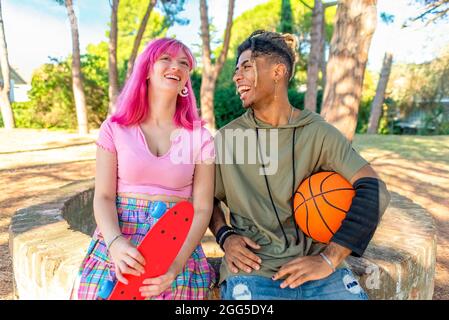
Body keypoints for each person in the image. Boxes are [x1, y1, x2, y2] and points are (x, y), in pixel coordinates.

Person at [210, 30, 391, 300]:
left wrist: (330, 258)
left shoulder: (318, 132)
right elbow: (205, 199)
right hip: (254, 271)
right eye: (236, 70)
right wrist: (225, 235)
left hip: (320, 271)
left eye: (246, 67)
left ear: (278, 71)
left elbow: (374, 190)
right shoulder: (227, 138)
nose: (236, 77)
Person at [71, 38, 216, 300]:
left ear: (186, 81)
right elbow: (103, 196)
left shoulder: (201, 137)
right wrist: (114, 243)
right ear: (147, 70)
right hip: (119, 238)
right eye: (166, 59)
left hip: (176, 245)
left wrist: (175, 266)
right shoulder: (114, 129)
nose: (177, 67)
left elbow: (203, 207)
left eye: (184, 63)